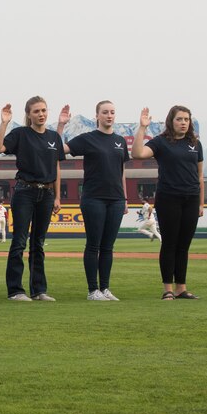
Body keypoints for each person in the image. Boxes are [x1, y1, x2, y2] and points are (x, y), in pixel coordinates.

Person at [0, 96, 64, 301]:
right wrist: (4, 123)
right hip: (25, 191)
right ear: (29, 114)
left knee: (38, 243)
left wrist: (58, 196)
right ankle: (15, 290)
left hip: (47, 194)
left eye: (43, 110)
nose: (41, 114)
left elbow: (56, 167)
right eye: (36, 111)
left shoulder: (53, 137)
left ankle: (39, 290)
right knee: (19, 241)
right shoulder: (21, 134)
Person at [131, 104, 204, 299]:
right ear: (171, 121)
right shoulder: (161, 142)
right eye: (179, 119)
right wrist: (143, 127)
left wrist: (201, 203)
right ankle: (168, 290)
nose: (183, 123)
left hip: (191, 198)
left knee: (184, 245)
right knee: (169, 243)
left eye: (186, 120)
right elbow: (137, 154)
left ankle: (182, 288)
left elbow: (200, 175)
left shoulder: (195, 144)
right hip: (168, 198)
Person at [63, 101, 132, 301]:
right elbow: (60, 149)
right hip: (94, 198)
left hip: (116, 199)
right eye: (105, 112)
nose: (109, 116)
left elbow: (122, 172)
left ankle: (105, 288)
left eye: (112, 112)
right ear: (97, 116)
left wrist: (125, 198)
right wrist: (61, 126)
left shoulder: (119, 141)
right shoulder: (88, 139)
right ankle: (93, 290)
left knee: (108, 247)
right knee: (94, 245)